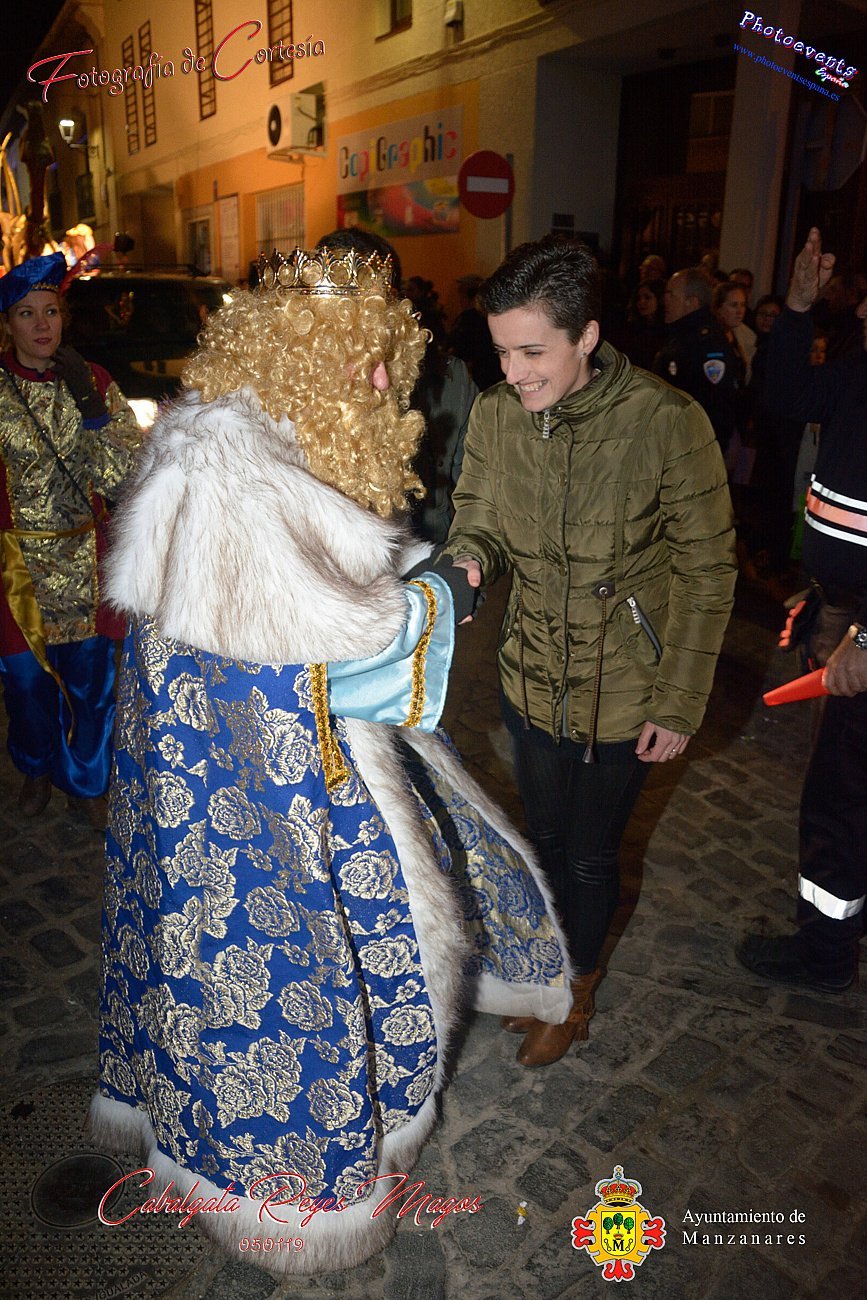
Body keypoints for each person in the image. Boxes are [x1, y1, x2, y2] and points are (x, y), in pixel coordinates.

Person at [88, 245, 571, 1275]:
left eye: (391, 356)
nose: (387, 381)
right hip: (274, 805)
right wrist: (448, 587)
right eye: (366, 358)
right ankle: (288, 1202)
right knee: (297, 983)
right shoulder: (229, 483)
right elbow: (349, 646)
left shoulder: (252, 438)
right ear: (301, 357)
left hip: (253, 782)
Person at [440, 236, 737, 1067]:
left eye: (532, 352)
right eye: (502, 352)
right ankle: (546, 976)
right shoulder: (498, 414)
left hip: (627, 686)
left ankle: (574, 993)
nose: (514, 372)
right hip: (531, 672)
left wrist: (678, 702)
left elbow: (708, 571)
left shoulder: (666, 422)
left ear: (587, 337)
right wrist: (468, 560)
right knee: (541, 839)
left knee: (591, 853)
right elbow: (478, 516)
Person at [737, 227, 867, 994]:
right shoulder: (857, 374)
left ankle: (824, 957)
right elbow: (785, 395)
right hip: (840, 616)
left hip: (860, 638)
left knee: (839, 802)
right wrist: (792, 312)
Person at [0, 252, 140, 823]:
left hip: (86, 559)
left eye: (51, 311)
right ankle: (36, 764)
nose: (42, 324)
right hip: (16, 567)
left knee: (91, 685)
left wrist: (92, 410)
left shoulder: (95, 381)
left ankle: (87, 782)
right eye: (27, 313)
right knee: (26, 683)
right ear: (8, 324)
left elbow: (125, 479)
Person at [654, 266, 740, 453]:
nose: (664, 300)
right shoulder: (680, 336)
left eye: (671, 294)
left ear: (691, 302)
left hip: (691, 448)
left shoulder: (707, 344)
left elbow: (717, 406)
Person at [614, 278, 666, 371]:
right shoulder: (633, 329)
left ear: (660, 299)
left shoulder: (665, 329)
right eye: (638, 298)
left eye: (647, 297)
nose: (641, 302)